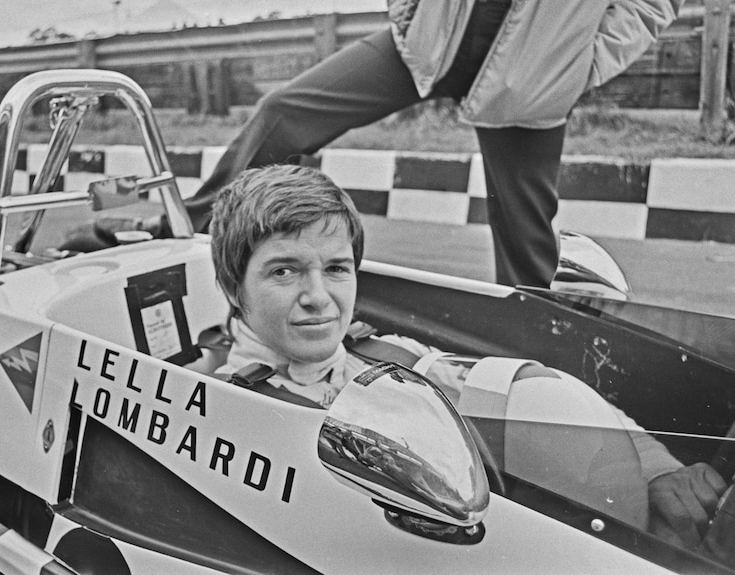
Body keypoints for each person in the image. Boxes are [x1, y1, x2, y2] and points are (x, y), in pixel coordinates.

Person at [209, 163, 727, 552]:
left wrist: (656, 468)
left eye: (337, 269)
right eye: (284, 271)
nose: (319, 296)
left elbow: (538, 394)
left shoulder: (388, 352)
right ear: (235, 288)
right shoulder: (225, 412)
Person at [186, 0, 684, 288]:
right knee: (285, 112)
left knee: (524, 233)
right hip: (430, 42)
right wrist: (408, 15)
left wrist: (582, 65)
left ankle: (531, 359)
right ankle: (188, 224)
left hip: (536, 67)